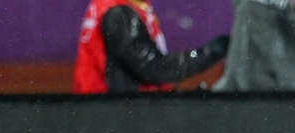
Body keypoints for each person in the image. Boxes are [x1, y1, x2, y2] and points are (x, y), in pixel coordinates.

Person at [73, 0, 229, 94]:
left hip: (112, 110)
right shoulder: (119, 14)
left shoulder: (131, 7)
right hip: (113, 117)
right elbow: (155, 67)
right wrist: (209, 52)